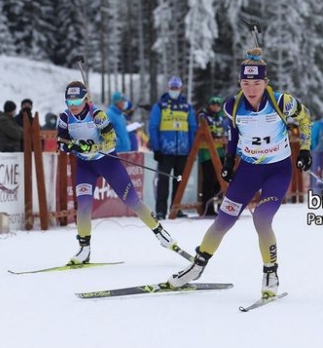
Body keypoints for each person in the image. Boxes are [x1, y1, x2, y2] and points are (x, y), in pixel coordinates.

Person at [167, 47, 312, 301]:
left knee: (262, 219)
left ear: (265, 82)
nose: (251, 88)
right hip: (248, 171)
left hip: (277, 171)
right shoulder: (232, 107)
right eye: (246, 83)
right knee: (223, 221)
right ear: (240, 83)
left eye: (256, 83)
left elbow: (305, 117)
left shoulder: (281, 102)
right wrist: (228, 159)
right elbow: (234, 133)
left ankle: (271, 273)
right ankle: (197, 267)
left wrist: (306, 149)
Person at [57, 81, 185, 264]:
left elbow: (111, 140)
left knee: (132, 201)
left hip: (107, 162)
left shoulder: (97, 114)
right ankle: (84, 249)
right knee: (83, 205)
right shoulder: (64, 117)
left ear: (85, 99)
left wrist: (95, 146)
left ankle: (160, 233)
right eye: (69, 103)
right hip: (85, 166)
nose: (73, 107)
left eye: (77, 102)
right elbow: (61, 142)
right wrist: (74, 146)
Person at [148, 76, 197, 219]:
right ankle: (161, 211)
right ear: (168, 88)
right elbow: (153, 127)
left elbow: (192, 128)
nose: (174, 90)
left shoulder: (187, 107)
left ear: (181, 89)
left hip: (182, 151)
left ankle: (176, 209)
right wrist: (156, 148)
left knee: (179, 181)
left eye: (177, 88)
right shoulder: (160, 105)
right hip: (165, 151)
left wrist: (191, 150)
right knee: (163, 181)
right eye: (172, 88)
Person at [197, 96, 229, 216]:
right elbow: (202, 131)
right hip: (206, 153)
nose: (215, 107)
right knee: (208, 181)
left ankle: (221, 206)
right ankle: (208, 208)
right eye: (213, 105)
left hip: (219, 152)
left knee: (220, 181)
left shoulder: (221, 118)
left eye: (217, 105)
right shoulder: (204, 116)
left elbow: (226, 131)